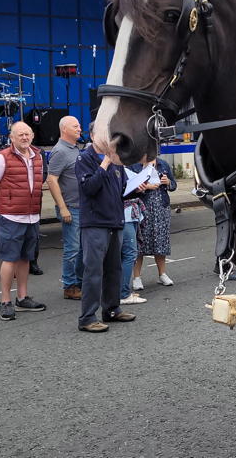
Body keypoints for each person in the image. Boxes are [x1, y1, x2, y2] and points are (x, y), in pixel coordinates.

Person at [0, 122, 47, 321]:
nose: (24, 137)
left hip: (32, 216)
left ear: (32, 135)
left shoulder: (38, 156)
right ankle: (5, 301)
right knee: (9, 259)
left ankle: (22, 298)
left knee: (25, 258)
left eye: (27, 134)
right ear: (11, 137)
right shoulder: (1, 158)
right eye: (20, 134)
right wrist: (5, 206)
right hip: (11, 217)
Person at [76, 140, 136, 333]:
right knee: (94, 271)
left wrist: (138, 189)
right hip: (95, 223)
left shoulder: (116, 160)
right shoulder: (85, 158)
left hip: (114, 221)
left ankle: (112, 309)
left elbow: (122, 190)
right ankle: (87, 318)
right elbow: (89, 188)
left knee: (114, 269)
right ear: (94, 135)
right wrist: (105, 164)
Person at [45, 116, 85, 300]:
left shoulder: (75, 149)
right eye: (75, 126)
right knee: (73, 249)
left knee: (82, 249)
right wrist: (62, 208)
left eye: (79, 126)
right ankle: (70, 286)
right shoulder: (60, 151)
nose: (79, 129)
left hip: (82, 207)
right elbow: (51, 179)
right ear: (64, 129)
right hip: (71, 208)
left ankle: (80, 282)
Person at [131, 157, 177, 289]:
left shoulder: (163, 164)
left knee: (160, 241)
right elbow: (128, 188)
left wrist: (168, 182)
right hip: (143, 208)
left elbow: (173, 185)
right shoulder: (135, 166)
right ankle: (137, 277)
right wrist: (145, 187)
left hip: (161, 207)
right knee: (140, 242)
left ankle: (162, 274)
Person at [120, 162, 149, 306]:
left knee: (124, 254)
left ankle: (119, 291)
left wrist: (138, 189)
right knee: (129, 253)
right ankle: (123, 293)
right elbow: (120, 193)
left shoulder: (122, 169)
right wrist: (135, 189)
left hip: (128, 215)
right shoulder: (115, 169)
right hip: (125, 216)